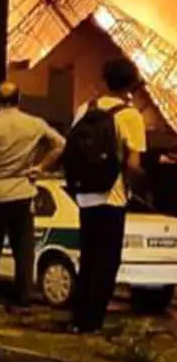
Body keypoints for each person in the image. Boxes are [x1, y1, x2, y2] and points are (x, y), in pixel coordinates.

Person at [65, 57, 147, 334]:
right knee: (107, 260)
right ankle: (93, 321)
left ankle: (78, 318)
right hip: (112, 197)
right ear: (131, 84)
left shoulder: (85, 109)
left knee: (88, 257)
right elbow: (133, 163)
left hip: (85, 195)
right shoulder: (130, 116)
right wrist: (136, 186)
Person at [0, 82, 66, 314]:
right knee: (23, 251)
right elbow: (60, 144)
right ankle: (22, 300)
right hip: (23, 192)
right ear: (19, 98)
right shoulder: (34, 124)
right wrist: (40, 167)